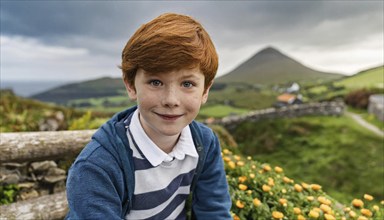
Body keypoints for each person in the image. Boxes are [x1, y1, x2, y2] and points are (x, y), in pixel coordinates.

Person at [65, 12, 232, 219]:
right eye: (155, 82)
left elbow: (214, 212)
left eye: (187, 84)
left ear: (205, 90)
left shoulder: (204, 143)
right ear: (130, 85)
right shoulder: (97, 167)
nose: (171, 100)